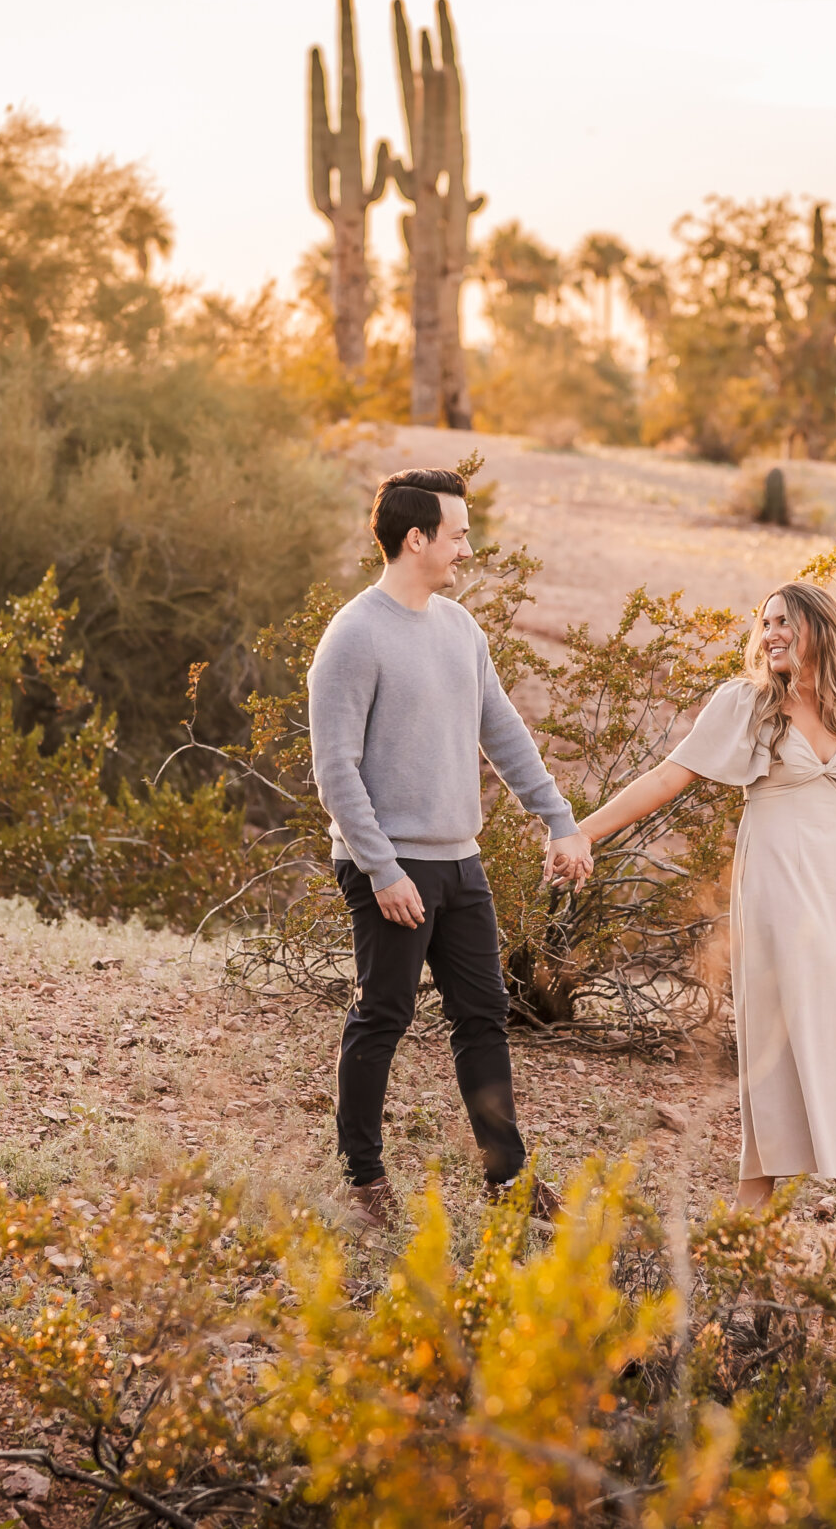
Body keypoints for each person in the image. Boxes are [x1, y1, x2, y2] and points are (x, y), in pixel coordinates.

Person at [575, 581, 836, 1273]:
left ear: (817, 631)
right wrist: (582, 831)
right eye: (764, 623)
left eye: (783, 623)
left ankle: (749, 1211)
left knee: (827, 1036)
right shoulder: (745, 705)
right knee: (795, 1031)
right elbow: (668, 777)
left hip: (831, 896)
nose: (769, 634)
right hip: (772, 894)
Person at [309, 467, 594, 1231]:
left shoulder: (461, 629)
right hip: (389, 864)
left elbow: (503, 732)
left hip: (459, 861)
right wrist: (381, 868)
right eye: (459, 533)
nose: (468, 547)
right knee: (384, 1014)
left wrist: (559, 819)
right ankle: (360, 1179)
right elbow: (334, 770)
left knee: (483, 1016)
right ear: (416, 538)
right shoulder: (353, 634)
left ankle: (508, 1178)